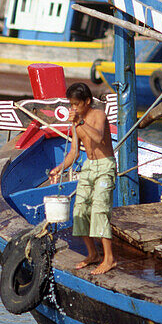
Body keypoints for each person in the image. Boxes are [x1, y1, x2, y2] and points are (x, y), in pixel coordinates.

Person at [49, 82, 117, 274]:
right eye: (71, 104)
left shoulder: (99, 115)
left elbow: (97, 138)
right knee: (80, 210)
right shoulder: (75, 122)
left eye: (76, 104)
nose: (73, 108)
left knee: (99, 209)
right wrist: (59, 169)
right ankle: (93, 254)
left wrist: (80, 122)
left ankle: (109, 258)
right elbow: (73, 153)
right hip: (89, 166)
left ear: (87, 101)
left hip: (105, 166)